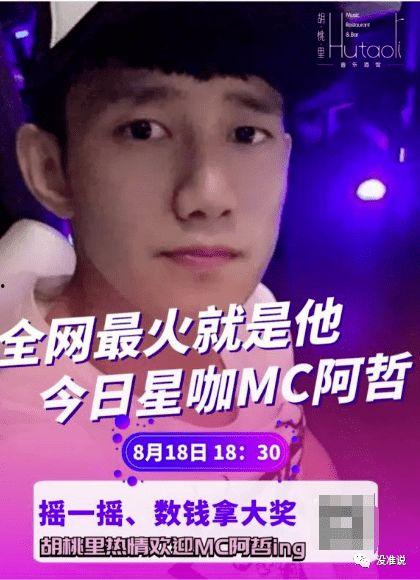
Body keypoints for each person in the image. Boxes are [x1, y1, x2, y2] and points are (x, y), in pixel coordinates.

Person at [0, 2, 336, 575]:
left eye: (245, 133)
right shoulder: (31, 468)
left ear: (284, 159)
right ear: (51, 170)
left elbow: (301, 467)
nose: (208, 193)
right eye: (144, 130)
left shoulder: (254, 317)